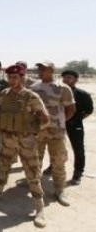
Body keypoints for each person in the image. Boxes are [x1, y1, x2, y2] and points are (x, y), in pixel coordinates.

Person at [0, 64, 50, 228]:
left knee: (32, 172)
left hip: (26, 140)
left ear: (22, 78)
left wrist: (33, 133)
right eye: (9, 77)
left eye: (15, 77)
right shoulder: (4, 94)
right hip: (7, 138)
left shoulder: (31, 97)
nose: (12, 80)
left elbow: (45, 119)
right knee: (3, 165)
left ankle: (39, 209)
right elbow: (0, 113)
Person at [32, 61, 75, 206]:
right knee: (35, 160)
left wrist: (59, 122)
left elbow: (71, 109)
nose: (40, 71)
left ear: (51, 70)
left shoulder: (63, 88)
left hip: (56, 132)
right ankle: (34, 184)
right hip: (38, 132)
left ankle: (59, 190)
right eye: (39, 69)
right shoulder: (34, 87)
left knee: (58, 161)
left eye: (43, 69)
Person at [61, 70, 93, 185]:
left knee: (78, 149)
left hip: (75, 125)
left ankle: (78, 173)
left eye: (69, 77)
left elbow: (89, 111)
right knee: (57, 147)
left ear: (75, 80)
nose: (65, 80)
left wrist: (77, 119)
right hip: (59, 124)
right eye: (64, 77)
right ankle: (52, 166)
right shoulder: (58, 92)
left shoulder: (82, 94)